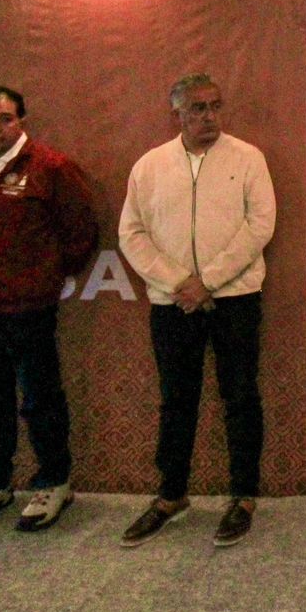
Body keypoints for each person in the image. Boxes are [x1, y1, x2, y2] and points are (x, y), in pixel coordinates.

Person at [118, 74, 277, 549]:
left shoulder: (248, 158)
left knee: (240, 396)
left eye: (215, 106)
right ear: (178, 115)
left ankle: (243, 496)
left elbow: (260, 225)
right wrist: (178, 283)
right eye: (198, 108)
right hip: (174, 303)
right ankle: (171, 496)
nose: (209, 116)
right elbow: (132, 233)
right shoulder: (149, 166)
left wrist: (207, 280)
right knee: (176, 400)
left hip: (235, 299)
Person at [0, 86, 98, 534]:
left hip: (28, 306)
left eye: (4, 119)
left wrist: (44, 276)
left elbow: (82, 231)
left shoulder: (51, 168)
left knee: (40, 397)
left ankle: (53, 482)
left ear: (21, 122)